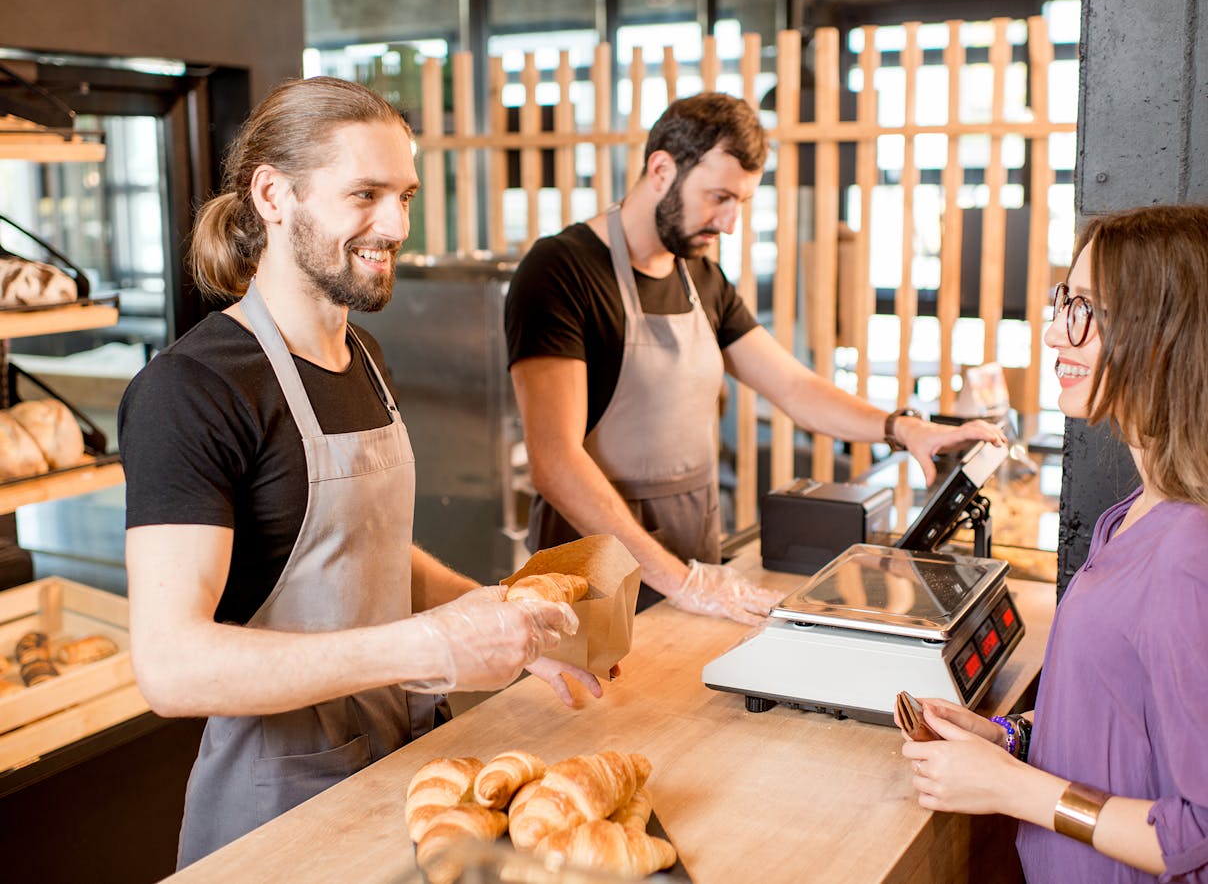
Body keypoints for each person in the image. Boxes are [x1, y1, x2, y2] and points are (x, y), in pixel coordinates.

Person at [119, 76, 602, 869]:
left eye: (404, 196)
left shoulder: (363, 357)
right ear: (273, 195)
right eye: (365, 194)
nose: (396, 226)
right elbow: (170, 668)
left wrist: (500, 617)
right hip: (279, 817)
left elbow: (361, 550)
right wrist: (429, 647)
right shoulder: (192, 390)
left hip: (406, 770)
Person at [505, 92, 1004, 623]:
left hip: (691, 565)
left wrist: (903, 428)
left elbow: (793, 386)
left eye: (740, 202)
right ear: (661, 170)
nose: (729, 224)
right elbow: (555, 463)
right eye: (718, 197)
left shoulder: (701, 278)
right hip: (591, 581)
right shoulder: (560, 272)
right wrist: (683, 582)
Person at [900, 204, 1208, 882]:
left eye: (1085, 310)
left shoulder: (1189, 553)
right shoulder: (1130, 515)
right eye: (1065, 302)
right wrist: (1008, 737)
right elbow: (1124, 722)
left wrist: (1011, 787)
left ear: (1165, 333)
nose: (1052, 333)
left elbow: (1197, 831)